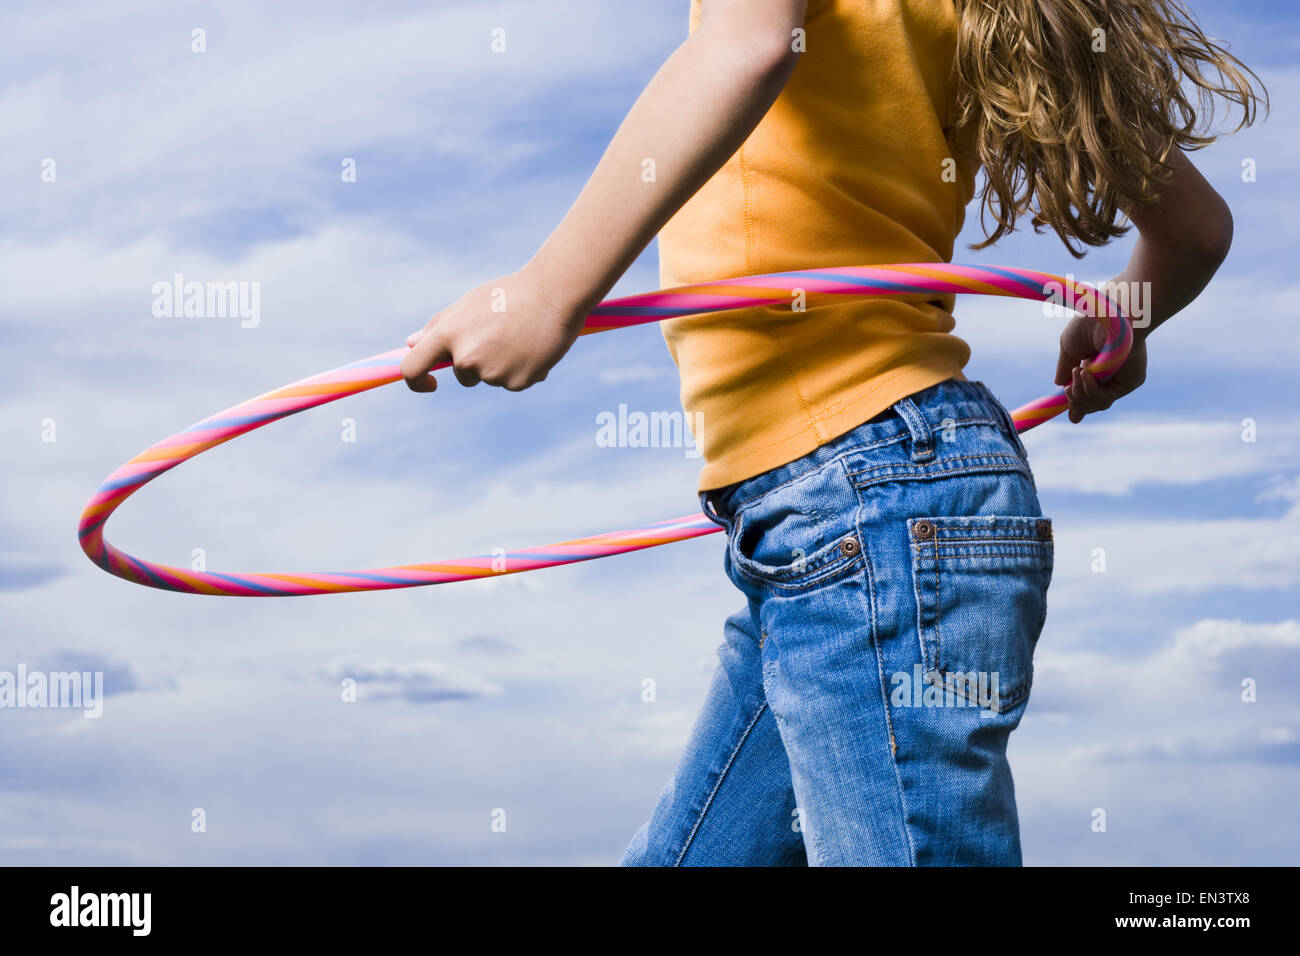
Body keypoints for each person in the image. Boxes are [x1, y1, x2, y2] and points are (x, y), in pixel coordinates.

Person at [399, 0, 1265, 865]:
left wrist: (550, 291)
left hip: (865, 501)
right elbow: (1195, 233)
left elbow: (748, 46)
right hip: (847, 514)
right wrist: (1125, 317)